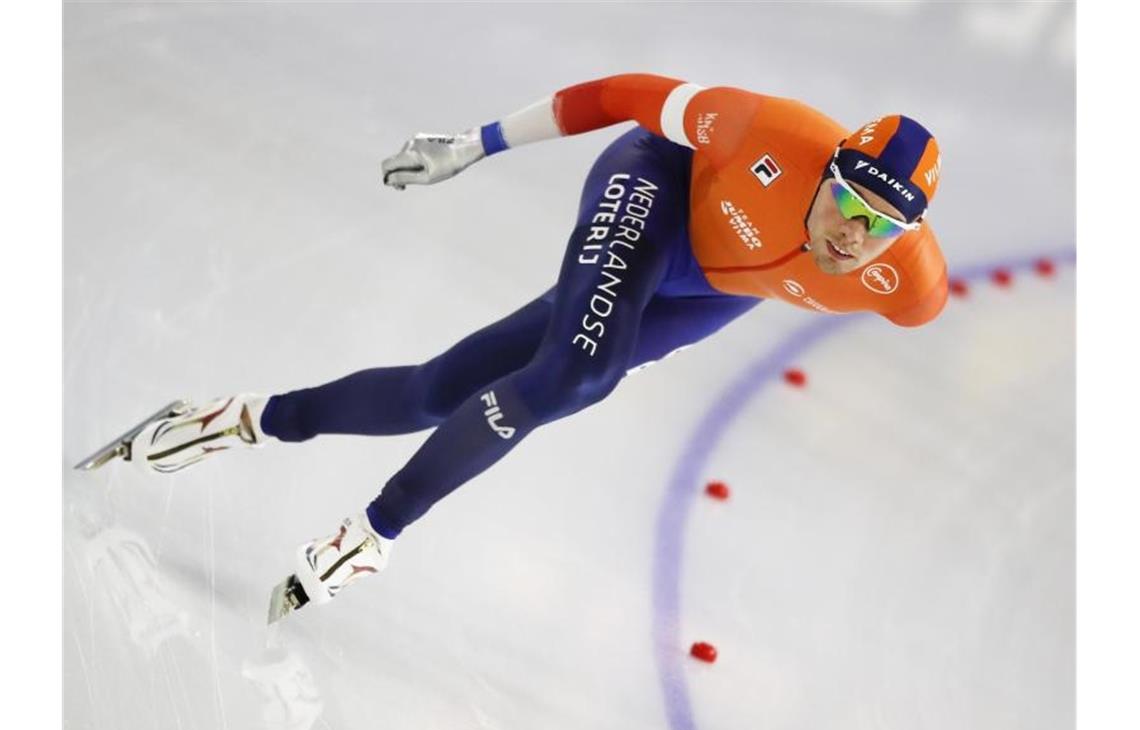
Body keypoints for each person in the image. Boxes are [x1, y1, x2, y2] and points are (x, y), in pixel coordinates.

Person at [78, 73, 947, 620]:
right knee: (577, 374)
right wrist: (472, 146)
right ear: (826, 168)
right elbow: (619, 93)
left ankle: (240, 419)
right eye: (845, 200)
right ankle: (375, 531)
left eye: (881, 225)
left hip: (708, 289)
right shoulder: (761, 128)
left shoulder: (910, 289)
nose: (850, 233)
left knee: (436, 390)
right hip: (656, 185)